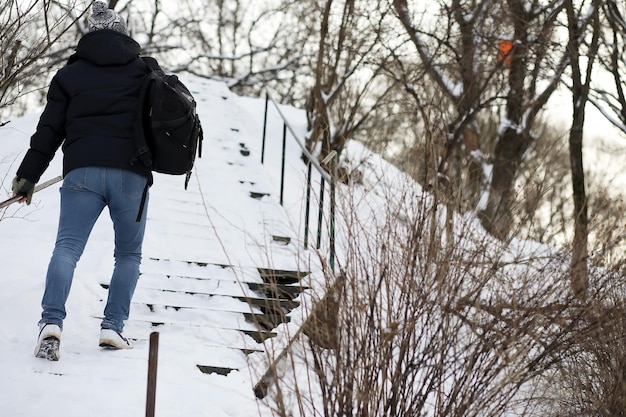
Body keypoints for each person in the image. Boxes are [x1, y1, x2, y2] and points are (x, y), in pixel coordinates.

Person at [12, 0, 157, 360]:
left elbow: (49, 131)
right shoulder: (144, 71)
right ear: (124, 35)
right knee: (128, 254)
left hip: (82, 173)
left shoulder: (69, 75)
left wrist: (28, 176)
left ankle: (51, 323)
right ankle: (112, 328)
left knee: (67, 249)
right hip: (130, 175)